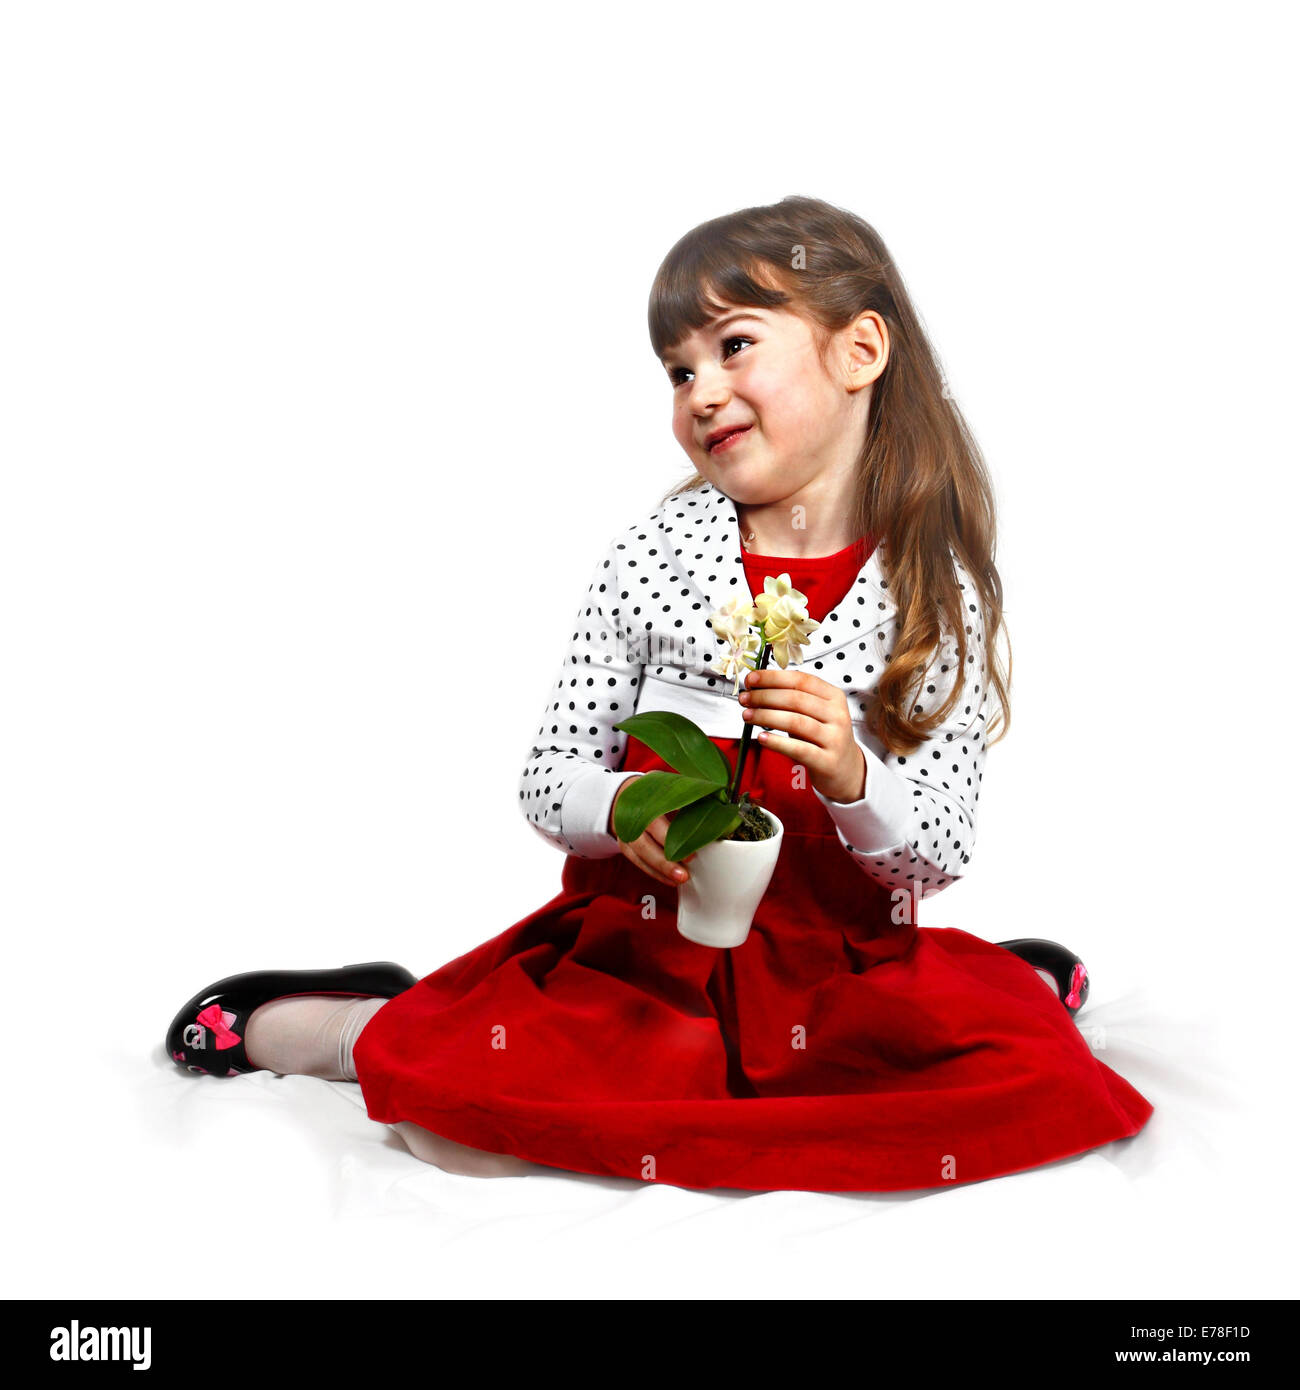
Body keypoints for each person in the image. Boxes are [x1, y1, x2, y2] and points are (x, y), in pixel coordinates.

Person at [164, 194, 1152, 1191]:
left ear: (858, 353)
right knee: (457, 1130)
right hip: (644, 962)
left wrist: (853, 775)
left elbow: (935, 854)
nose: (700, 391)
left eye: (731, 347)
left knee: (1027, 1087)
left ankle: (1009, 986)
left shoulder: (934, 590)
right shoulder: (654, 555)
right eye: (679, 371)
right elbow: (550, 780)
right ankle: (362, 1023)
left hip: (834, 975)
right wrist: (622, 810)